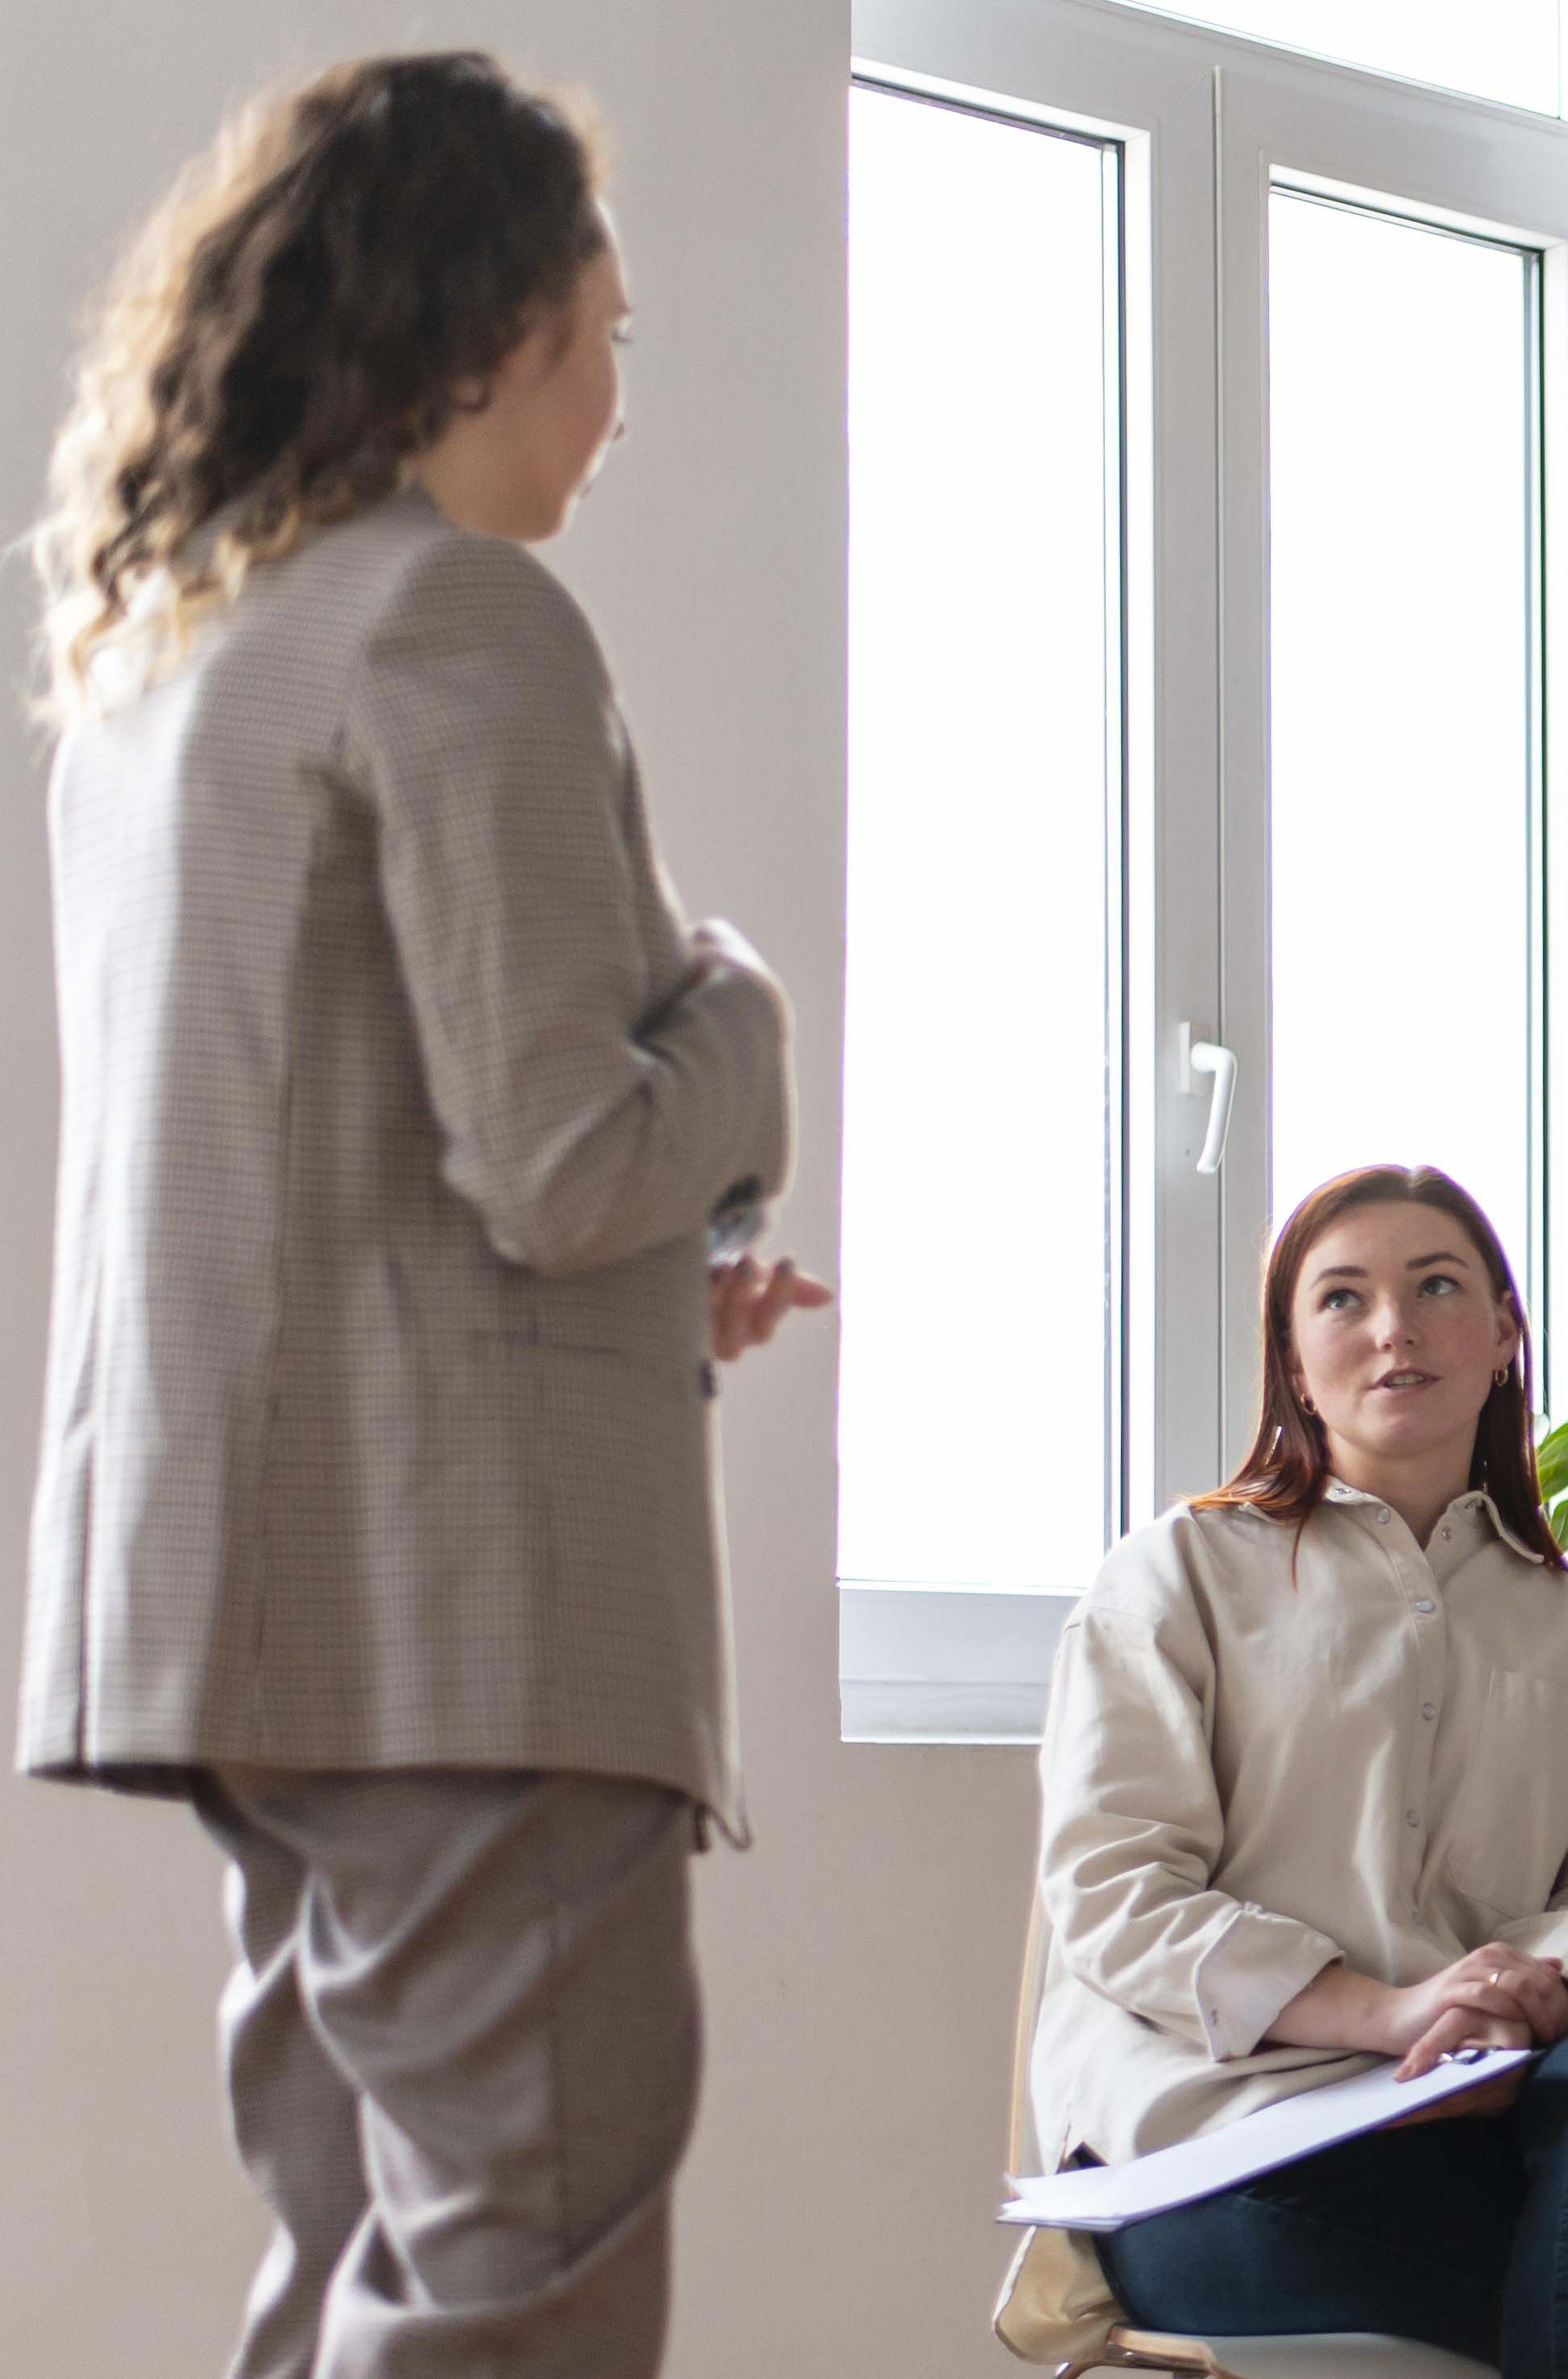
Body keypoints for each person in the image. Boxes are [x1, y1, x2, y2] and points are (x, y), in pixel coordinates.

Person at [19, 56, 815, 2379]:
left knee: (353, 2253)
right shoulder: (458, 620)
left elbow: (323, 1157)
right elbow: (559, 1163)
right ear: (486, 327)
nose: (618, 405)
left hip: (248, 1615)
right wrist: (745, 1019)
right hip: (460, 1621)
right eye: (605, 335)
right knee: (517, 2284)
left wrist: (669, 1284)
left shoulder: (168, 661)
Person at [1027, 1166, 1568, 2379]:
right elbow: (1115, 1894)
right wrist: (1386, 2012)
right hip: (1217, 2156)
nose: (1393, 1328)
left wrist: (1526, 2000)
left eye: (1436, 1287)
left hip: (1472, 2132)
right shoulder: (1175, 1576)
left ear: (1505, 1333)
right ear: (1292, 1359)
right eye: (1342, 1298)